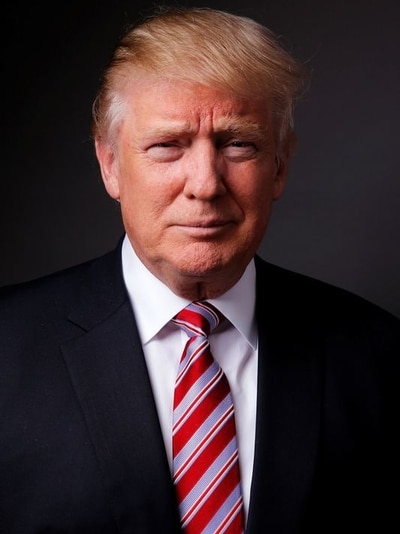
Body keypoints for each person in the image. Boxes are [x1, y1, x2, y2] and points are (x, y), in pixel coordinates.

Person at [0, 5, 399, 534]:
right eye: (167, 146)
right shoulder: (6, 349)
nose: (206, 184)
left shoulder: (380, 358)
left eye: (239, 144)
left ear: (279, 165)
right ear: (110, 164)